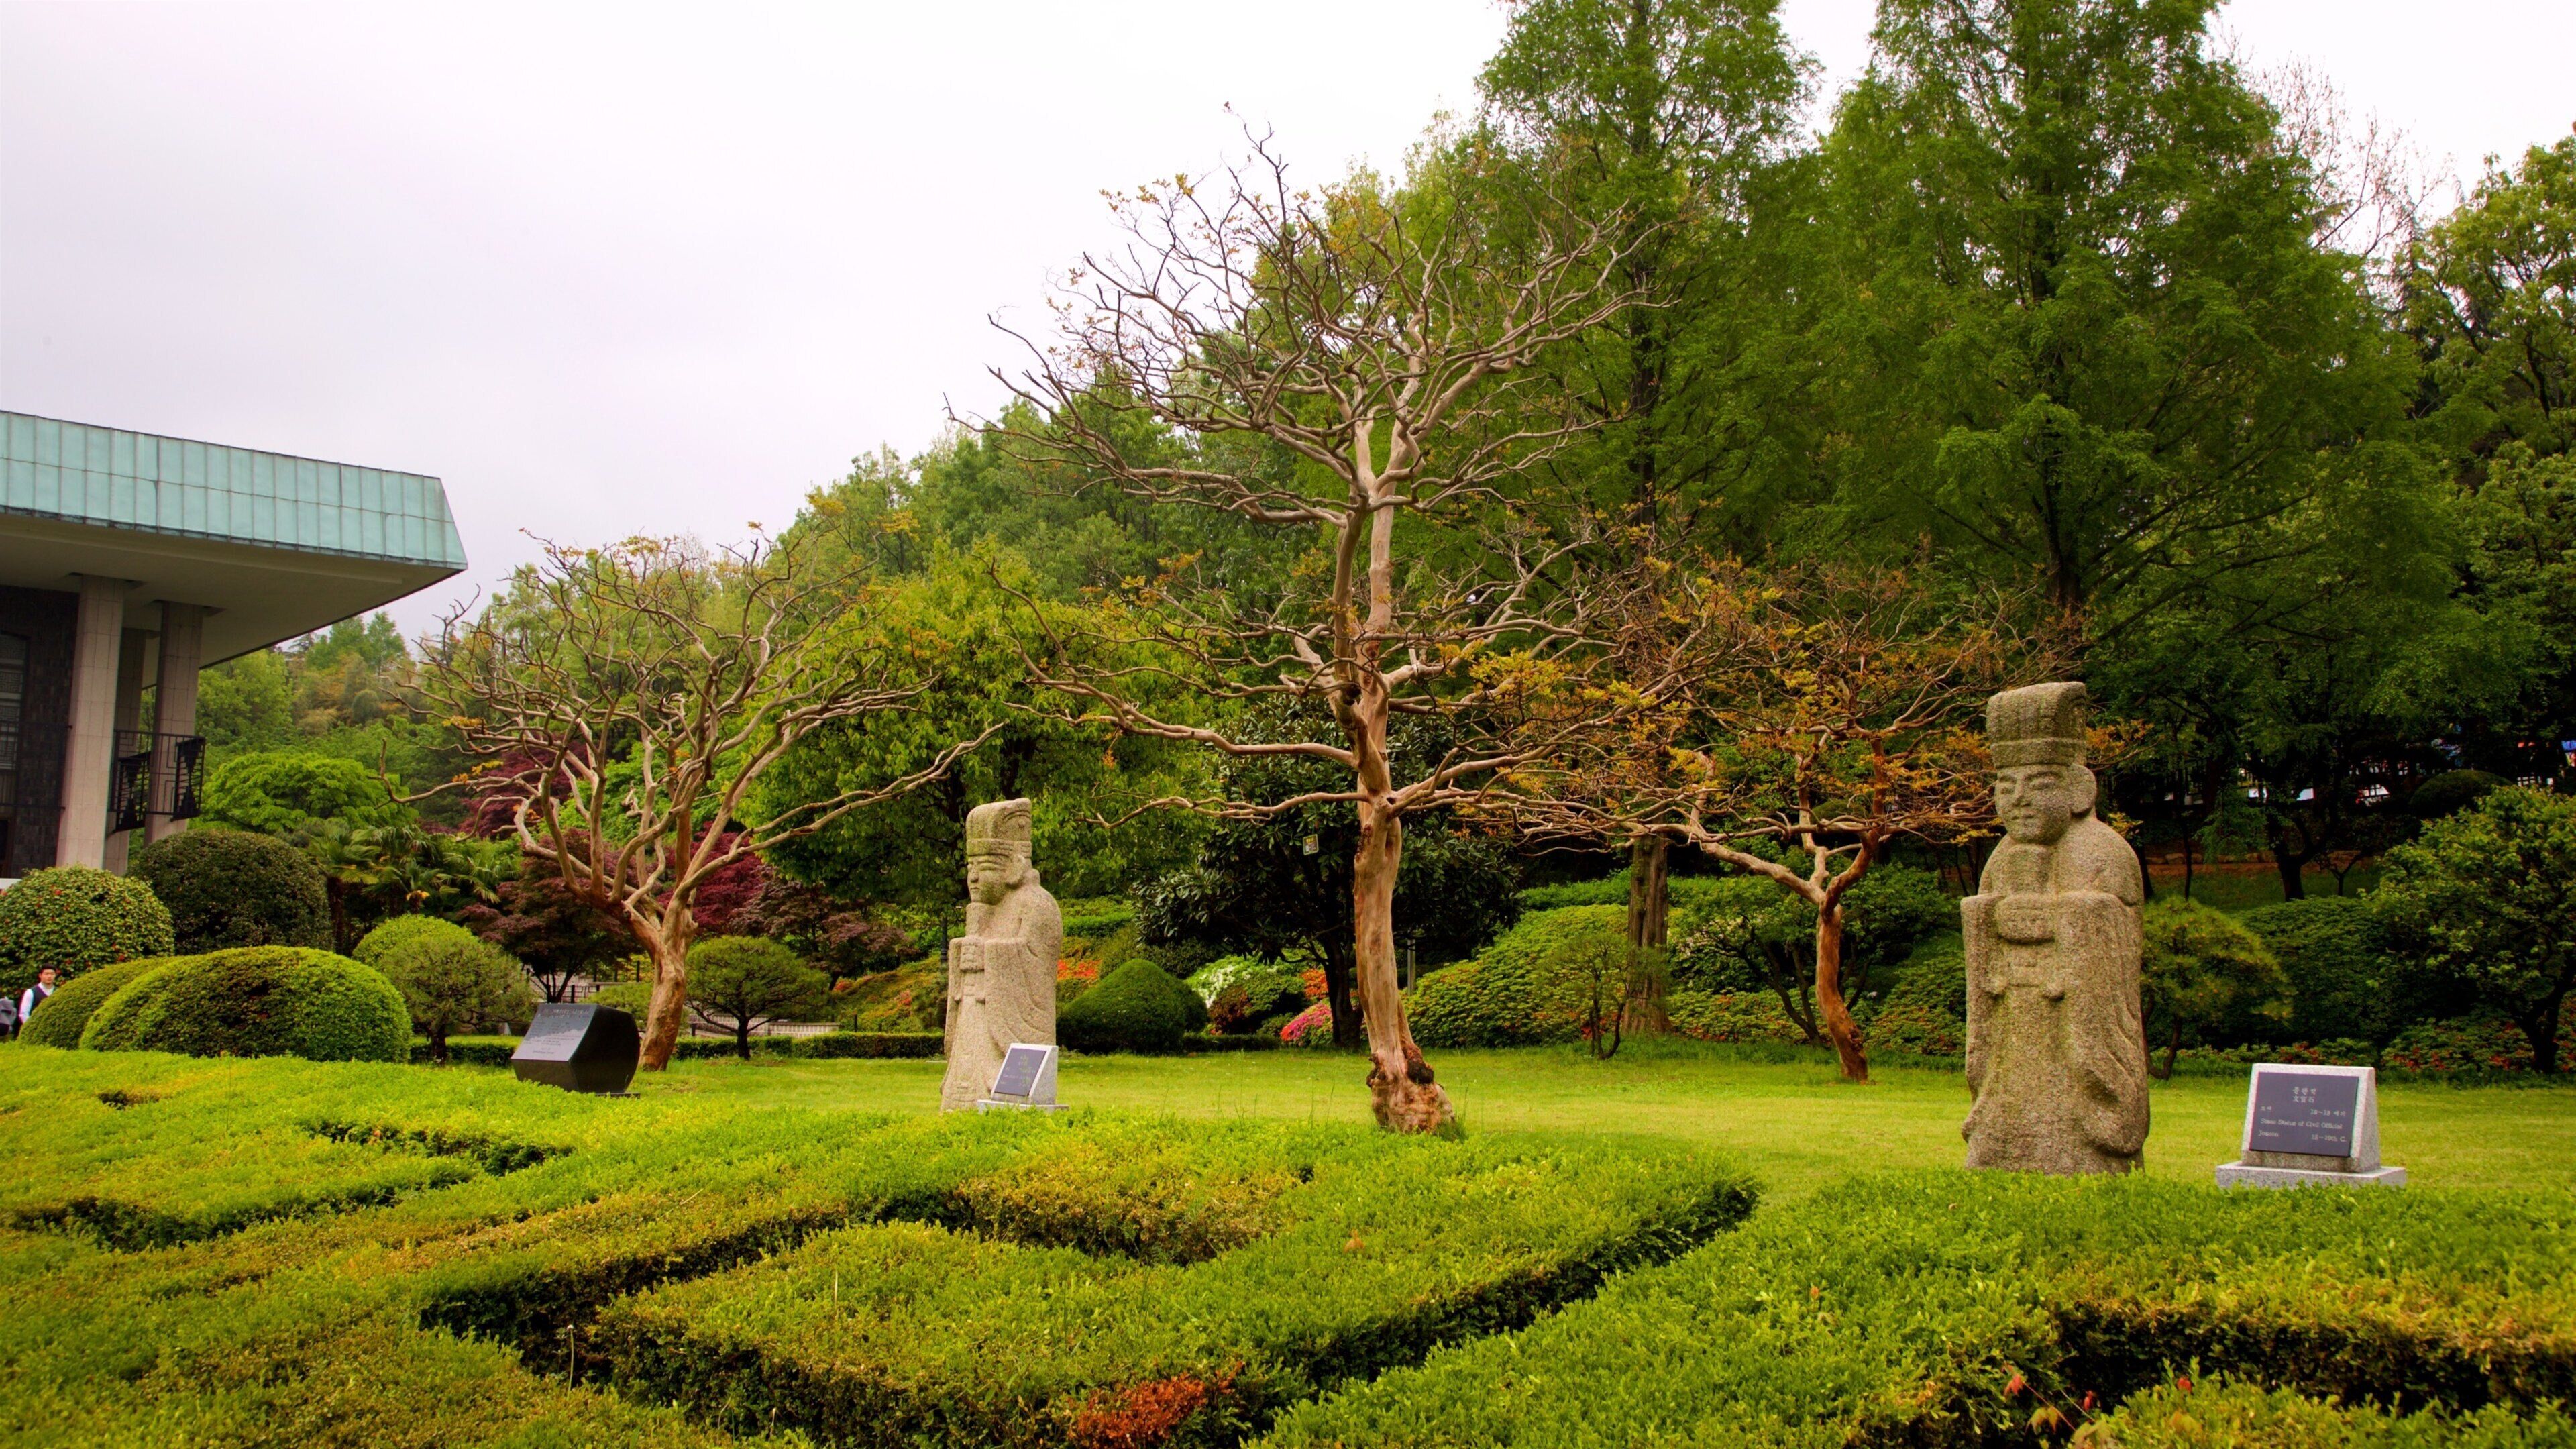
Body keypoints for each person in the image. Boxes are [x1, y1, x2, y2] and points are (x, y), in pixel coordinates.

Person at [18, 966, 60, 1035]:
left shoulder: (59, 992)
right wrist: (30, 1028)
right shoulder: (31, 992)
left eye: (52, 974)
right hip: (35, 1030)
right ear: (40, 976)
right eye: (46, 974)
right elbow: (24, 1013)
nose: (49, 976)